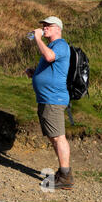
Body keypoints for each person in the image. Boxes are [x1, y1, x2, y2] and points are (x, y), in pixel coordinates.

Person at [25, 16, 74, 190]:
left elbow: (49, 57)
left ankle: (66, 175)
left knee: (58, 137)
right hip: (47, 99)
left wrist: (37, 38)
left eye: (48, 26)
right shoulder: (52, 46)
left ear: (58, 29)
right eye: (43, 26)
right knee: (54, 138)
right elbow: (50, 64)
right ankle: (63, 173)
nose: (44, 28)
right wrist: (35, 73)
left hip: (54, 99)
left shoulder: (60, 44)